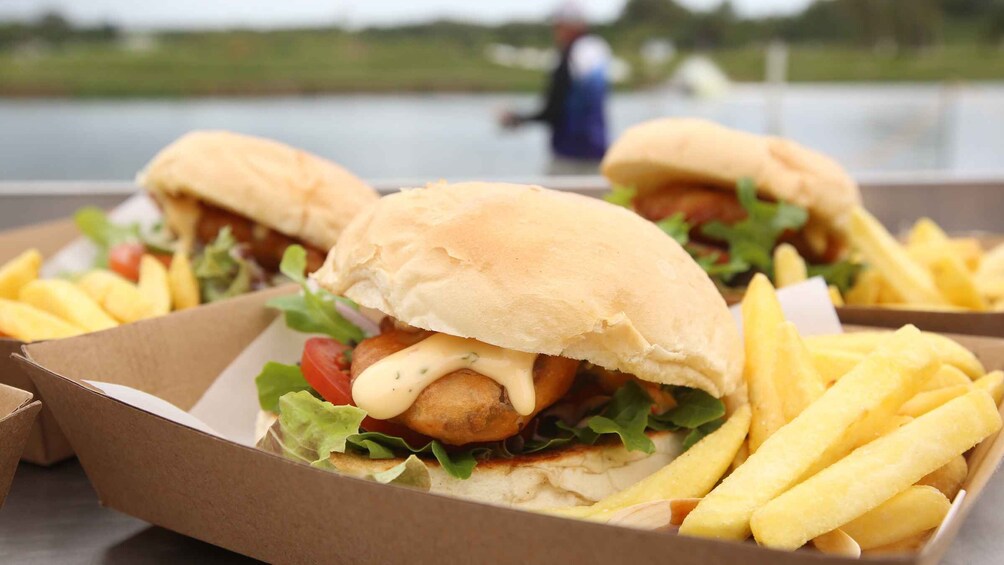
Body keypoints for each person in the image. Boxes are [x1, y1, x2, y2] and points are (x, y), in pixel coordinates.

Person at [500, 1, 611, 175]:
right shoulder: (598, 49)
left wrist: (519, 118)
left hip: (569, 154)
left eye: (558, 26)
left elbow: (555, 108)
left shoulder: (570, 55)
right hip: (598, 151)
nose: (555, 31)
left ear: (570, 26)